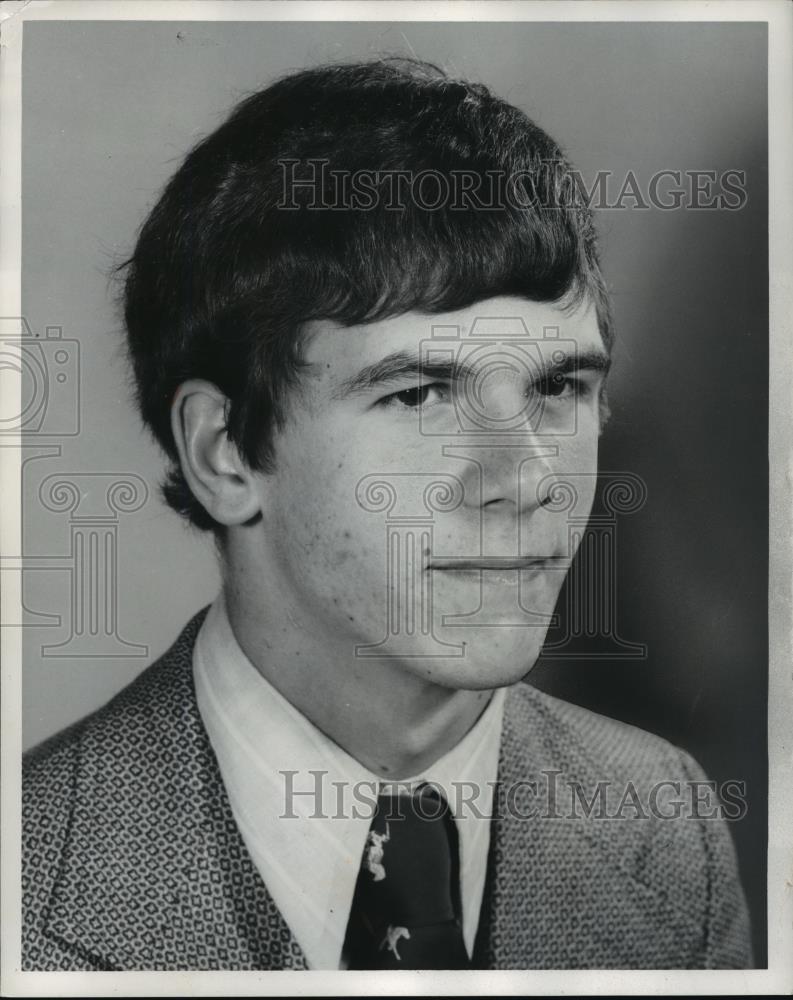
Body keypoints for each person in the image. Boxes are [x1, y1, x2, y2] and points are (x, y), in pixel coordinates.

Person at [21, 58, 753, 971]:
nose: (522, 478)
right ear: (223, 453)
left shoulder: (664, 820)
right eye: (416, 396)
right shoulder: (25, 880)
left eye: (559, 386)